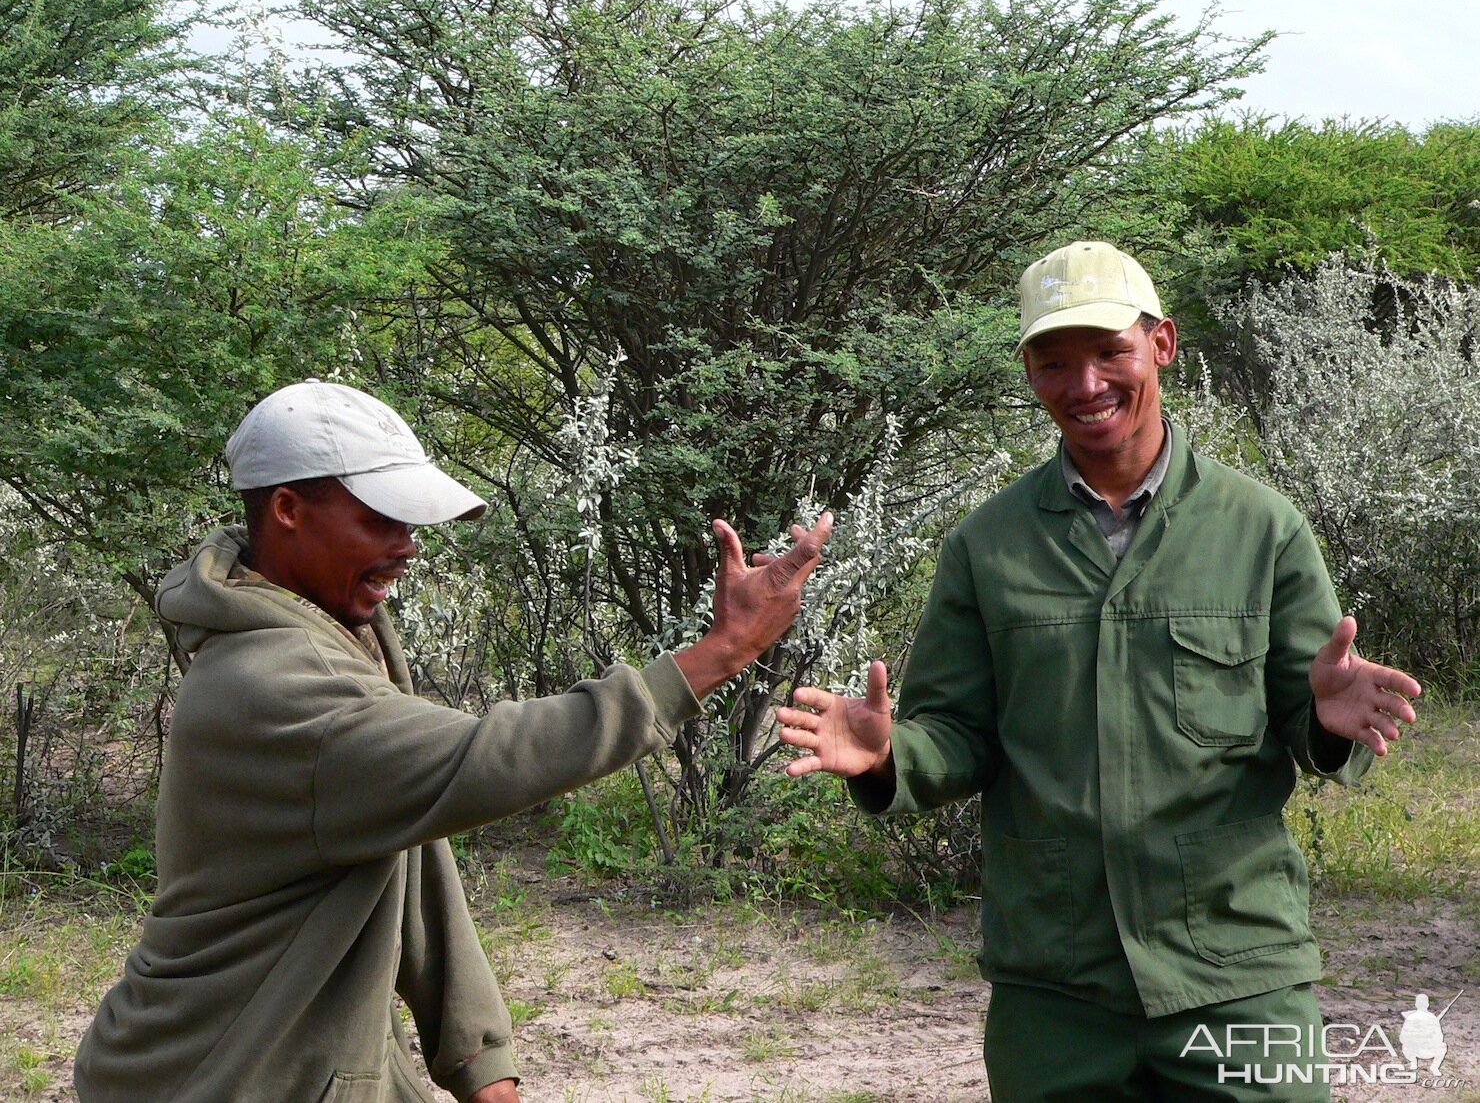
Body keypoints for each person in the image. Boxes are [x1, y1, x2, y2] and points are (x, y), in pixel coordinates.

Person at [776, 241, 1422, 1101]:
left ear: (1162, 345)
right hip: (1056, 985)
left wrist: (1329, 724)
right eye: (1055, 363)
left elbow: (1314, 725)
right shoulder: (988, 546)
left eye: (1110, 352)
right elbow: (957, 737)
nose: (1085, 386)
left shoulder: (1261, 528)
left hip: (1240, 974)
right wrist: (892, 755)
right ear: (1030, 373)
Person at [75, 379, 833, 1103]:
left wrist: (477, 1057)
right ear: (286, 510)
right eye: (378, 520)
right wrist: (718, 655)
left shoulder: (330, 629)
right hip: (221, 1075)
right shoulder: (276, 681)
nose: (406, 546)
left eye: (408, 523)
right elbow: (481, 761)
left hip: (295, 1060)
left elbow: (406, 842)